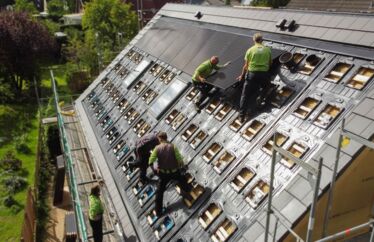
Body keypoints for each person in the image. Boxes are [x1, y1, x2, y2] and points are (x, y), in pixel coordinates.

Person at [149, 132, 193, 216]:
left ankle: (158, 212)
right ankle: (188, 193)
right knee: (182, 180)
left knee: (159, 192)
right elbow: (180, 160)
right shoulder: (173, 147)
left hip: (163, 174)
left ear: (160, 139)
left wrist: (156, 168)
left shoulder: (157, 149)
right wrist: (182, 167)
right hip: (174, 172)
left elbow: (151, 161)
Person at [237, 33, 272, 122]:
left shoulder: (250, 50)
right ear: (262, 40)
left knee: (245, 95)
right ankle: (260, 99)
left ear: (254, 40)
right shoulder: (267, 50)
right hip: (263, 74)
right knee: (266, 87)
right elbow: (270, 63)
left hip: (252, 74)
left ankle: (241, 116)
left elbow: (246, 65)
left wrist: (242, 75)